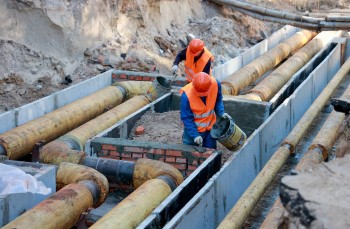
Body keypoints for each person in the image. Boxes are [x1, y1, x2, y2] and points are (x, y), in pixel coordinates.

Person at [179, 72, 229, 149]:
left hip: (210, 129)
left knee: (210, 153)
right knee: (188, 154)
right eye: (200, 93)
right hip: (193, 130)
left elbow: (218, 100)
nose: (202, 95)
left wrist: (221, 113)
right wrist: (195, 135)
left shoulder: (215, 84)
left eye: (204, 93)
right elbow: (187, 118)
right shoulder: (186, 95)